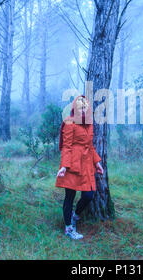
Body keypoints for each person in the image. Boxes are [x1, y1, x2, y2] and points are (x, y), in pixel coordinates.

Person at [56, 95, 104, 240]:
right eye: (80, 107)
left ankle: (74, 216)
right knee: (69, 197)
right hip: (72, 164)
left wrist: (97, 163)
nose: (83, 110)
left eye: (85, 107)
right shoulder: (69, 123)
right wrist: (64, 166)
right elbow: (66, 146)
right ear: (74, 108)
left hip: (87, 165)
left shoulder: (89, 123)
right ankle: (68, 229)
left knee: (89, 195)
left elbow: (90, 146)